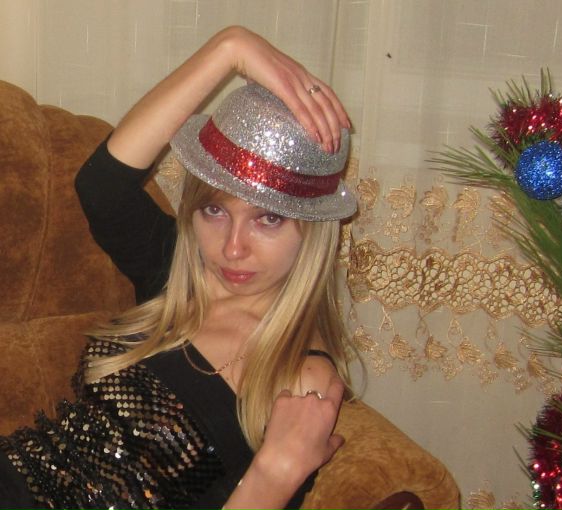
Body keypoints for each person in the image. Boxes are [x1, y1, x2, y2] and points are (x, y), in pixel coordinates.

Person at [0, 26, 357, 510]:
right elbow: (102, 187)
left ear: (312, 230)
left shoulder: (301, 378)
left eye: (268, 219)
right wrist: (230, 48)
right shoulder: (181, 276)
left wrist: (274, 474)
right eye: (214, 211)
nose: (232, 248)